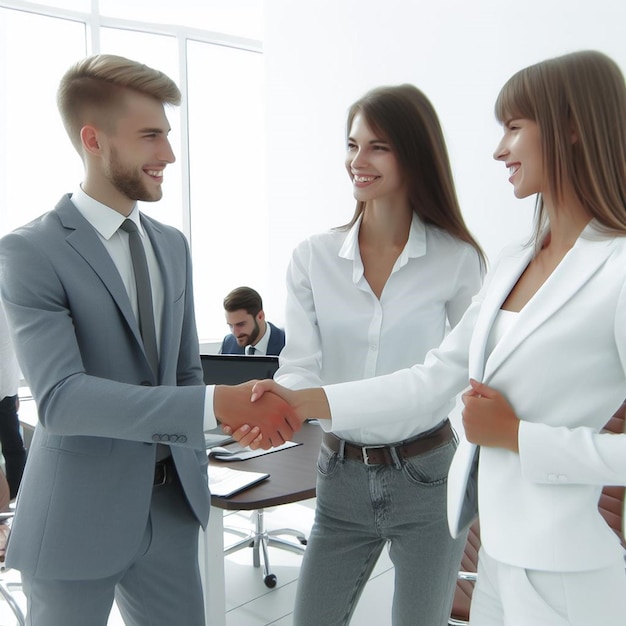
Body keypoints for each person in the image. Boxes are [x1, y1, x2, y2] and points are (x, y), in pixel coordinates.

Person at [239, 50, 626, 625]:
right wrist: (303, 400)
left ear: (571, 128)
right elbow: (429, 381)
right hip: (497, 560)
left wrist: (520, 436)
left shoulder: (616, 268)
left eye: (514, 129)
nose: (498, 149)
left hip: (566, 569)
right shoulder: (514, 262)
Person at [0, 53, 297, 626]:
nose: (168, 153)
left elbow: (184, 371)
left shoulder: (171, 245)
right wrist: (213, 404)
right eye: (151, 135)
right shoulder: (29, 251)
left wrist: (229, 417)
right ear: (94, 139)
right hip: (75, 515)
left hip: (171, 508)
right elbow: (62, 399)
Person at [236, 84, 485, 625]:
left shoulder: (458, 260)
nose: (357, 161)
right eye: (352, 145)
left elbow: (444, 380)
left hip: (428, 476)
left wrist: (306, 400)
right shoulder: (313, 258)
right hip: (340, 474)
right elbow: (299, 364)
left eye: (378, 147)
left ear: (414, 154)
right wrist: (280, 402)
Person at [0, 305, 26, 500]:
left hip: (7, 389)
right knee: (14, 448)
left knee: (14, 449)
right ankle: (15, 498)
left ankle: (15, 498)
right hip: (7, 389)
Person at [220, 286, 285, 355]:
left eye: (241, 324)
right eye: (230, 325)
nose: (235, 333)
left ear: (260, 316)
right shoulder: (228, 344)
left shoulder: (288, 344)